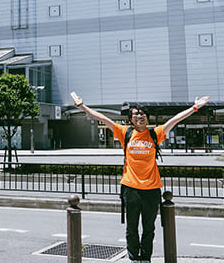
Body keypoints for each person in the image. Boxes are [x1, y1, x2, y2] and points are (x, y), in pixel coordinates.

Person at [72, 93, 209, 263]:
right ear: (131, 119)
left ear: (147, 118)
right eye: (136, 114)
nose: (139, 116)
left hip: (152, 189)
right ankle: (134, 258)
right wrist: (83, 107)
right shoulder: (125, 133)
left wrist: (195, 107)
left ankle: (145, 258)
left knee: (149, 228)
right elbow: (103, 118)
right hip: (131, 188)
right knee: (131, 228)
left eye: (142, 114)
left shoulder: (155, 134)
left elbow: (175, 120)